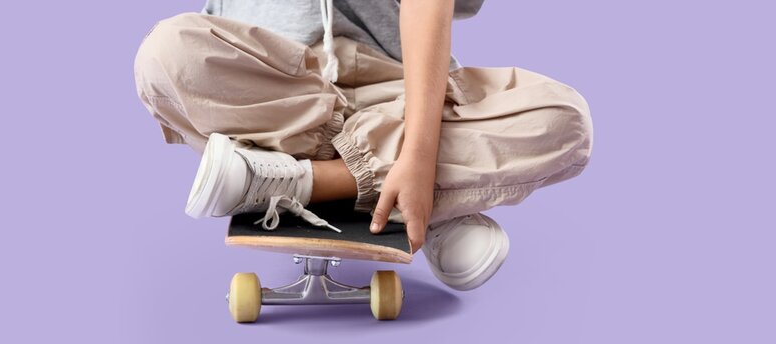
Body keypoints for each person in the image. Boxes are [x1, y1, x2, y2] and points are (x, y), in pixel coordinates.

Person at [133, 0, 593, 291]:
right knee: (164, 54)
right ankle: (431, 198)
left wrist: (419, 151)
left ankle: (304, 183)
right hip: (277, 90)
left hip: (398, 86)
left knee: (564, 119)